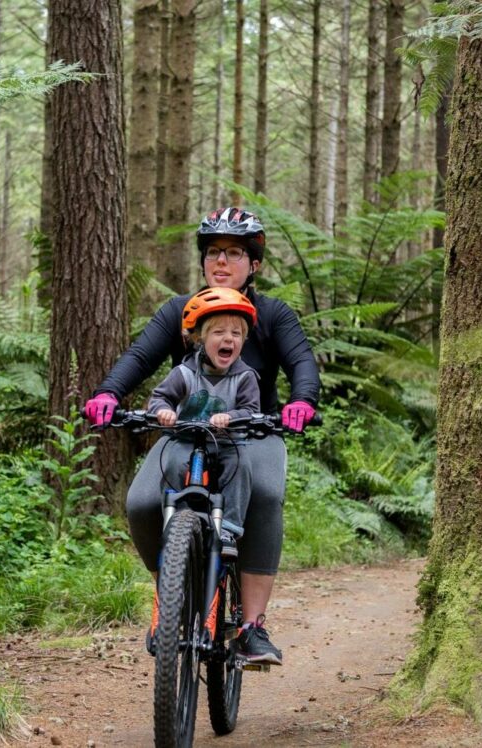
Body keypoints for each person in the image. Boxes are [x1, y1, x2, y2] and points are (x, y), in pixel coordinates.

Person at [84, 207, 320, 665]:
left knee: (266, 495)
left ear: (254, 265)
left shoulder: (272, 314)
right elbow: (140, 356)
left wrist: (301, 401)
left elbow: (302, 364)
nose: (221, 262)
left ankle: (252, 627)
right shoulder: (180, 312)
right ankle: (170, 598)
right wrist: (109, 393)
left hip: (254, 431)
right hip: (188, 432)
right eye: (213, 252)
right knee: (141, 503)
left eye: (234, 253)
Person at [147, 287, 261, 560]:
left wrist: (231, 417)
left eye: (236, 334)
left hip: (228, 442)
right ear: (200, 338)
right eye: (219, 332)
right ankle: (176, 522)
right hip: (186, 439)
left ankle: (229, 529)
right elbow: (159, 397)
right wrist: (164, 411)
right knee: (172, 461)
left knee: (241, 465)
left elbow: (251, 410)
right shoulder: (184, 373)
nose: (228, 339)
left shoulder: (245, 377)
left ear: (243, 340)